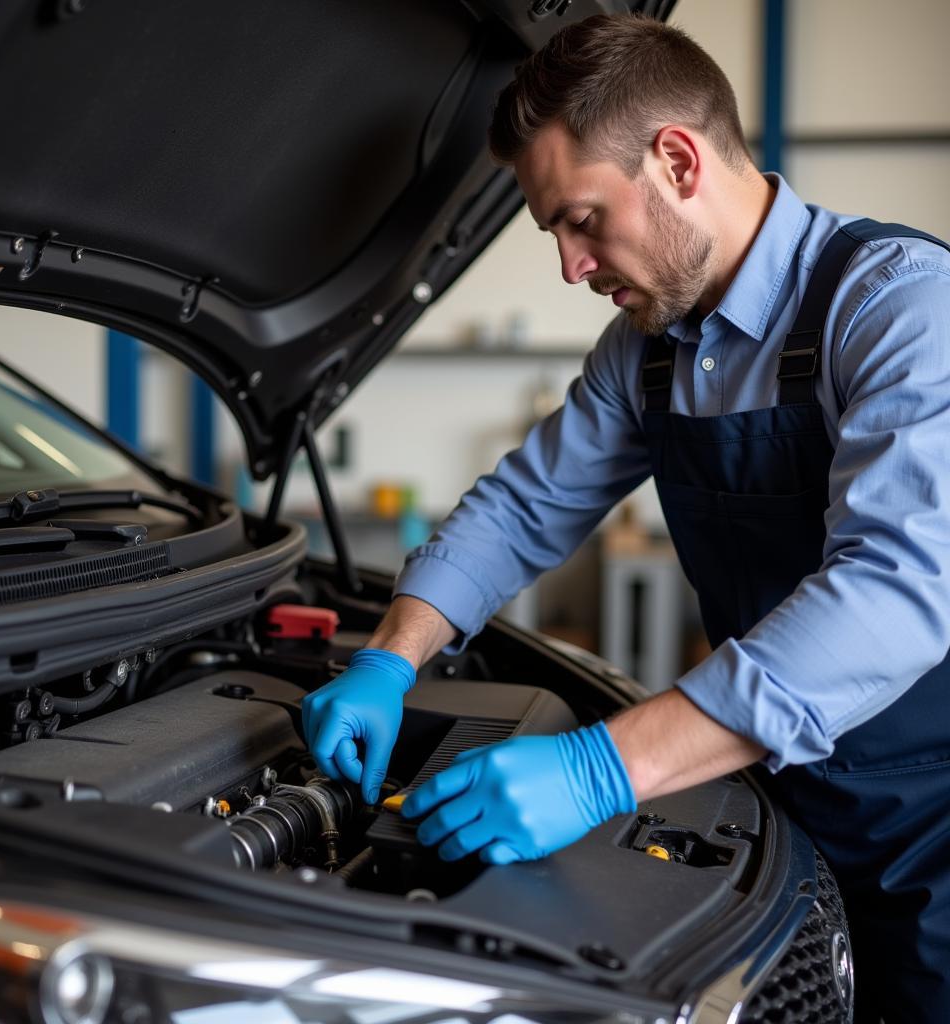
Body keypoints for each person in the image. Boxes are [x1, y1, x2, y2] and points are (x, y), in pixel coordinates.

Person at [301, 14, 950, 1020]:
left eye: (581, 219)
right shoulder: (647, 350)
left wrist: (606, 764)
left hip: (935, 831)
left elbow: (893, 593)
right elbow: (521, 507)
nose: (570, 265)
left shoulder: (900, 309)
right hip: (785, 807)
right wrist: (392, 655)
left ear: (678, 161)